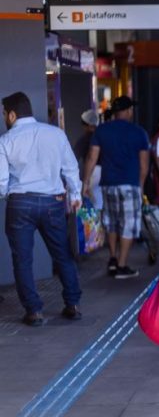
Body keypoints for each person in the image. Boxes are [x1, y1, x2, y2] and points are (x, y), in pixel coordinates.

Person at [0, 92, 83, 326]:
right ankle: (73, 304)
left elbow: (1, 182)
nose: (4, 118)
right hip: (52, 202)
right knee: (63, 254)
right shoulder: (56, 134)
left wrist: (9, 196)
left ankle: (34, 311)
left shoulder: (5, 141)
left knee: (23, 259)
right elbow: (70, 167)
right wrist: (75, 194)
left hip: (20, 203)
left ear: (13, 114)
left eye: (4, 113)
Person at [83, 96, 149, 279]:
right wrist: (141, 185)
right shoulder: (139, 132)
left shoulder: (102, 131)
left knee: (111, 221)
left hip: (108, 184)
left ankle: (112, 258)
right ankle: (122, 265)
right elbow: (144, 165)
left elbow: (91, 157)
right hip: (130, 184)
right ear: (128, 111)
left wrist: (86, 182)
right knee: (128, 224)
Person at [74, 109, 102, 209]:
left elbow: (74, 160)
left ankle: (97, 223)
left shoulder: (83, 140)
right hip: (107, 171)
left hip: (92, 173)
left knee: (95, 204)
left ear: (85, 125)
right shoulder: (103, 136)